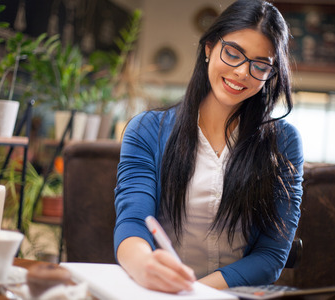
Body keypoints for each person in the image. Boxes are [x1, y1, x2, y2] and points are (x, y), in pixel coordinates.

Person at [114, 0, 303, 293]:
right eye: (233, 53)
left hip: (228, 295)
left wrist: (197, 293)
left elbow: (271, 255)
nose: (242, 72)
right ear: (209, 47)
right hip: (156, 292)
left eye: (260, 64)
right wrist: (143, 265)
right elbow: (133, 222)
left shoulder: (283, 142)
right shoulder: (147, 130)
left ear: (271, 73)